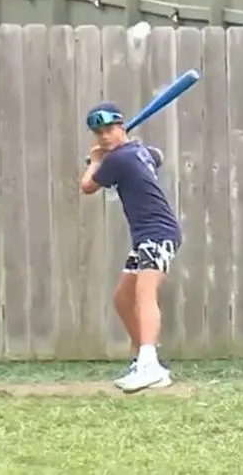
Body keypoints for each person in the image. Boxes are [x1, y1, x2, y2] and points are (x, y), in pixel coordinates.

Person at [79, 101, 180, 393]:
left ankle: (148, 364)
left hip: (158, 233)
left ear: (121, 126)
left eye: (110, 128)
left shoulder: (118, 159)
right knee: (123, 298)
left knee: (144, 294)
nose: (104, 136)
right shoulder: (138, 152)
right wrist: (113, 152)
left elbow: (87, 186)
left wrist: (96, 161)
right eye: (99, 132)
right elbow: (156, 155)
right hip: (146, 236)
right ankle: (148, 362)